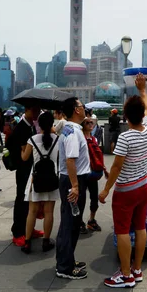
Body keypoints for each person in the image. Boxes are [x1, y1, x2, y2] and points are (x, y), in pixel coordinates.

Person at [99, 74, 147, 288]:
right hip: (143, 186)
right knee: (140, 228)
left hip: (126, 191)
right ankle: (137, 270)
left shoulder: (125, 137)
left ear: (125, 116)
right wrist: (142, 90)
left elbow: (116, 166)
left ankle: (125, 275)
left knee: (122, 230)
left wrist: (105, 190)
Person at [55, 97, 91, 280]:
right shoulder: (72, 132)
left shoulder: (72, 129)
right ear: (76, 110)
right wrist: (75, 185)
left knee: (73, 222)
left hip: (74, 180)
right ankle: (65, 267)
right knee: (70, 223)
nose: (84, 108)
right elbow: (70, 159)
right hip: (73, 181)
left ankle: (67, 259)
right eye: (82, 106)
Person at [20, 111, 58, 254]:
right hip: (51, 179)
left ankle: (27, 243)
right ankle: (46, 242)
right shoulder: (57, 139)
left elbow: (24, 158)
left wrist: (21, 149)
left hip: (35, 179)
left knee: (32, 212)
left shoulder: (32, 139)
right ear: (51, 124)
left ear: (39, 124)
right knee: (49, 212)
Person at [7, 104, 42, 247]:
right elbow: (24, 155)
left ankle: (29, 228)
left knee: (29, 200)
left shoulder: (30, 125)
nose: (36, 112)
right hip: (23, 169)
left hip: (30, 169)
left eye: (38, 110)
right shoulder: (22, 128)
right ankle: (17, 233)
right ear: (27, 110)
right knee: (21, 199)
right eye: (34, 110)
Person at [80, 114, 109, 234]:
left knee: (94, 198)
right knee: (80, 200)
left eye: (92, 122)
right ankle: (79, 222)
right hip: (82, 173)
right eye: (87, 123)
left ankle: (91, 220)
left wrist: (104, 168)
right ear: (82, 125)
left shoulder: (94, 139)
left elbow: (97, 156)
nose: (91, 124)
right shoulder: (80, 138)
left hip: (93, 173)